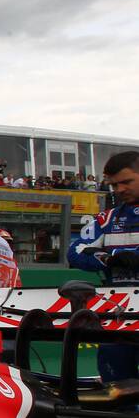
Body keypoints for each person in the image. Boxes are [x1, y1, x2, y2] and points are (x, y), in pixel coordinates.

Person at [69, 150, 139, 383]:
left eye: (126, 182)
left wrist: (120, 255)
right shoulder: (107, 219)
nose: (119, 190)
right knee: (116, 386)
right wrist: (111, 259)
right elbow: (76, 251)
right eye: (114, 184)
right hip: (118, 314)